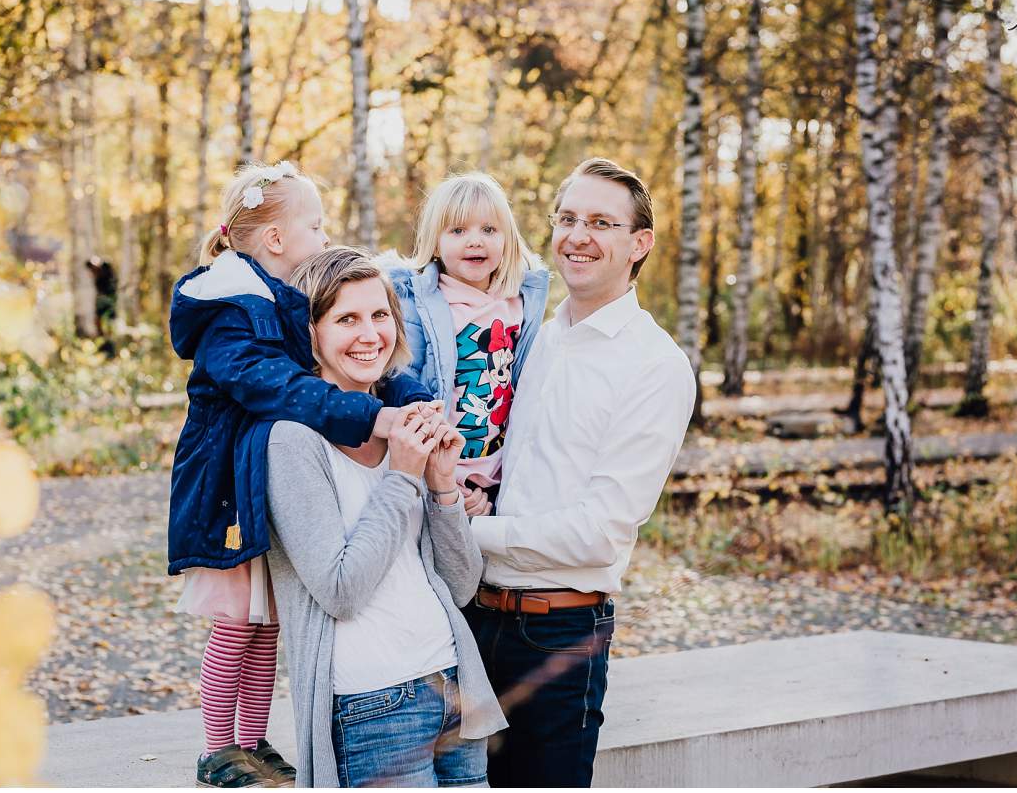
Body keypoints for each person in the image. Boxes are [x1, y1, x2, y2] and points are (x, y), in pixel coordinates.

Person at [167, 162, 441, 788]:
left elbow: (346, 364)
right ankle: (218, 749)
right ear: (275, 241)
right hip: (228, 493)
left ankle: (251, 739)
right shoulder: (230, 312)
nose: (324, 237)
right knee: (237, 624)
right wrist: (370, 416)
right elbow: (284, 388)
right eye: (314, 226)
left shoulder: (279, 303)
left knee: (269, 627)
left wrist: (412, 400)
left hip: (265, 488)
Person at [462, 158, 696, 786]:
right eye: (567, 219)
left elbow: (600, 530)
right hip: (472, 619)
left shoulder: (655, 366)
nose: (577, 236)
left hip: (558, 637)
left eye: (600, 222)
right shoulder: (534, 338)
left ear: (638, 244)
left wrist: (473, 534)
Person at [264, 247, 508, 788]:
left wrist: (442, 484)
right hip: (371, 704)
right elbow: (340, 589)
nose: (369, 334)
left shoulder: (406, 424)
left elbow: (462, 585)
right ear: (310, 334)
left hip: (452, 685)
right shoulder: (291, 441)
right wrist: (402, 476)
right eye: (346, 319)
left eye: (379, 315)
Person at [388, 172, 550, 516]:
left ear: (507, 239)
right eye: (458, 231)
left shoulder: (520, 303)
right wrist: (444, 479)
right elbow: (405, 387)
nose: (475, 241)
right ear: (435, 242)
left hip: (501, 473)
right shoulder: (422, 305)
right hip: (439, 469)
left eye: (489, 230)